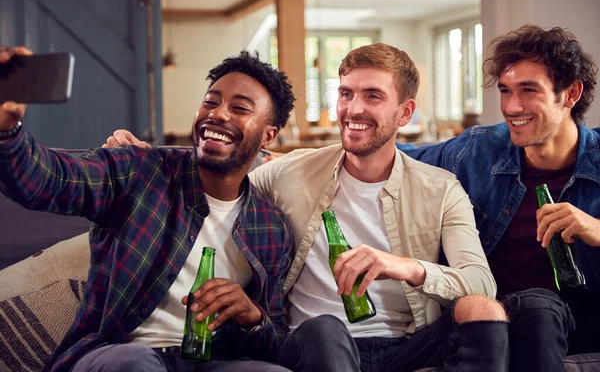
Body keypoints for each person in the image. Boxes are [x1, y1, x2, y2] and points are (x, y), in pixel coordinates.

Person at [106, 43, 571, 371]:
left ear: (404, 114)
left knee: (481, 308)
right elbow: (221, 165)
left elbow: (480, 282)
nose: (353, 109)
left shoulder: (442, 188)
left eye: (373, 96)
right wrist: (146, 159)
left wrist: (403, 267)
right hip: (315, 343)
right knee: (327, 326)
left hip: (407, 344)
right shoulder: (290, 172)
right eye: (346, 93)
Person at [0, 48, 296, 372]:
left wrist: (252, 317)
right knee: (135, 363)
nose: (218, 114)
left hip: (215, 361)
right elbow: (47, 180)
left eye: (239, 108)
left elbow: (275, 340)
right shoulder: (140, 170)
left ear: (269, 134)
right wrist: (7, 132)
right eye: (211, 101)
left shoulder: (272, 228)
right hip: (121, 354)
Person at [396, 24, 600, 356]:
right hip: (492, 324)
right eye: (505, 91)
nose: (512, 107)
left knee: (538, 308)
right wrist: (290, 157)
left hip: (579, 322)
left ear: (571, 94)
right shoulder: (478, 149)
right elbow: (397, 156)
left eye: (529, 90)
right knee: (530, 309)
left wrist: (596, 228)